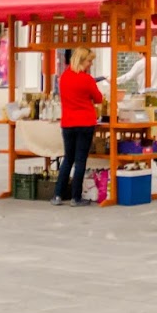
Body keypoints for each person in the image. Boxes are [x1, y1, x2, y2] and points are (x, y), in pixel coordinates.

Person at [55, 46, 104, 206]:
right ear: (82, 60)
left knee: (68, 159)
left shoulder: (64, 77)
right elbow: (98, 99)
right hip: (85, 123)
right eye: (89, 61)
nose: (91, 64)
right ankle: (75, 197)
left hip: (67, 123)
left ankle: (58, 195)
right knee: (80, 160)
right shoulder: (87, 79)